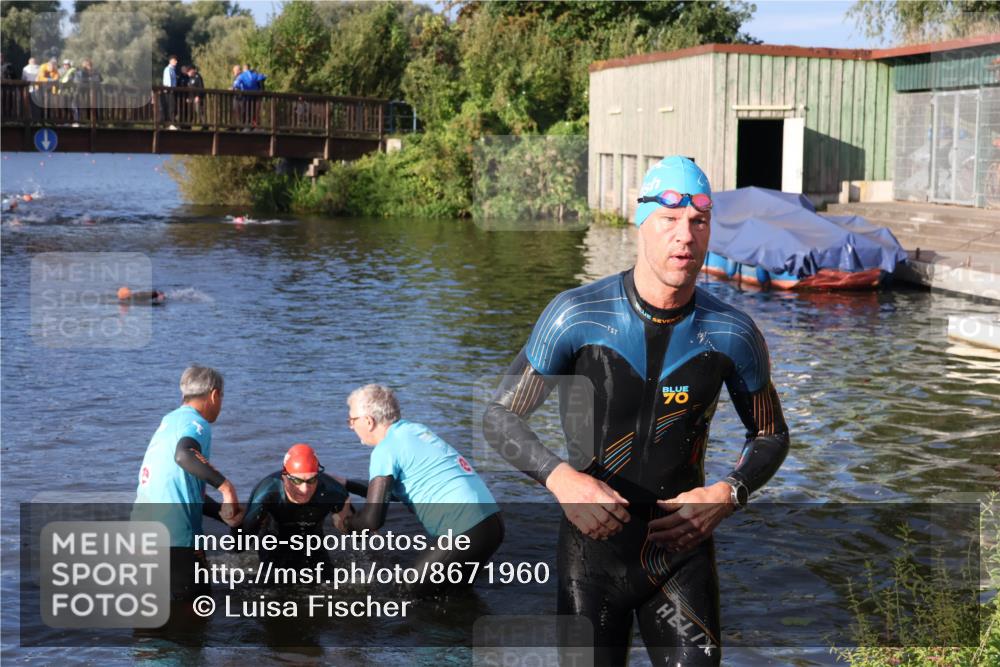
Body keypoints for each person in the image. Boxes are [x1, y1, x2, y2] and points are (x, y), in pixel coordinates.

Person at [482, 156, 790, 665]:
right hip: (591, 556)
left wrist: (728, 493)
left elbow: (771, 434)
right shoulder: (576, 315)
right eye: (669, 220)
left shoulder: (733, 334)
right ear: (640, 224)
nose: (684, 237)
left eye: (698, 222)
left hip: (681, 554)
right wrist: (559, 479)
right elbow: (499, 415)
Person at [341, 384, 504, 595]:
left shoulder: (385, 449)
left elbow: (372, 520)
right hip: (492, 523)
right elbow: (389, 492)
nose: (351, 426)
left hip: (464, 530)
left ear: (368, 421)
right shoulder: (414, 431)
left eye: (351, 420)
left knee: (405, 593)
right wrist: (346, 483)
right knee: (454, 596)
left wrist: (347, 522)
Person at [132, 366, 243, 601]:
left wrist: (220, 514)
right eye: (222, 397)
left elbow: (179, 486)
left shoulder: (169, 422)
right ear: (214, 395)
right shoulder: (197, 424)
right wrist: (227, 489)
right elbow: (184, 455)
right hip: (175, 538)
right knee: (196, 614)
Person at [240, 444, 357, 568]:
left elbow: (358, 536)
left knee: (330, 581)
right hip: (273, 541)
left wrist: (348, 525)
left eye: (311, 480)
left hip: (313, 541)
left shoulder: (333, 491)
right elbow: (240, 544)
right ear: (284, 477)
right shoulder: (266, 492)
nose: (304, 489)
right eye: (297, 481)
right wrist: (235, 524)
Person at [161, 55, 178, 129]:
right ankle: (170, 123)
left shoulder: (172, 69)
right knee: (170, 107)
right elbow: (168, 81)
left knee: (172, 107)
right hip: (169, 91)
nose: (176, 62)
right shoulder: (168, 69)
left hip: (171, 91)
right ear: (170, 61)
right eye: (175, 60)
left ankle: (170, 123)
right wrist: (170, 90)